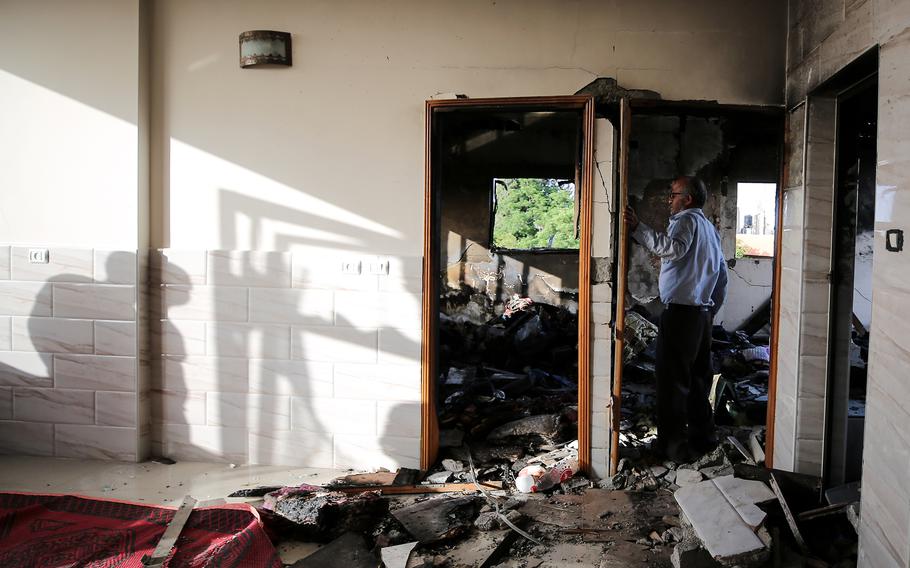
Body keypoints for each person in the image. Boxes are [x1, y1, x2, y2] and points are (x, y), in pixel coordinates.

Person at [623, 176, 728, 462]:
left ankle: (671, 448)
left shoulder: (685, 220)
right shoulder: (709, 228)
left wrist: (638, 228)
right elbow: (722, 275)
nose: (670, 200)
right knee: (697, 380)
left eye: (673, 194)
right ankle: (704, 439)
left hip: (682, 314)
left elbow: (673, 249)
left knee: (671, 382)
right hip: (701, 315)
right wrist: (709, 310)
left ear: (688, 199)